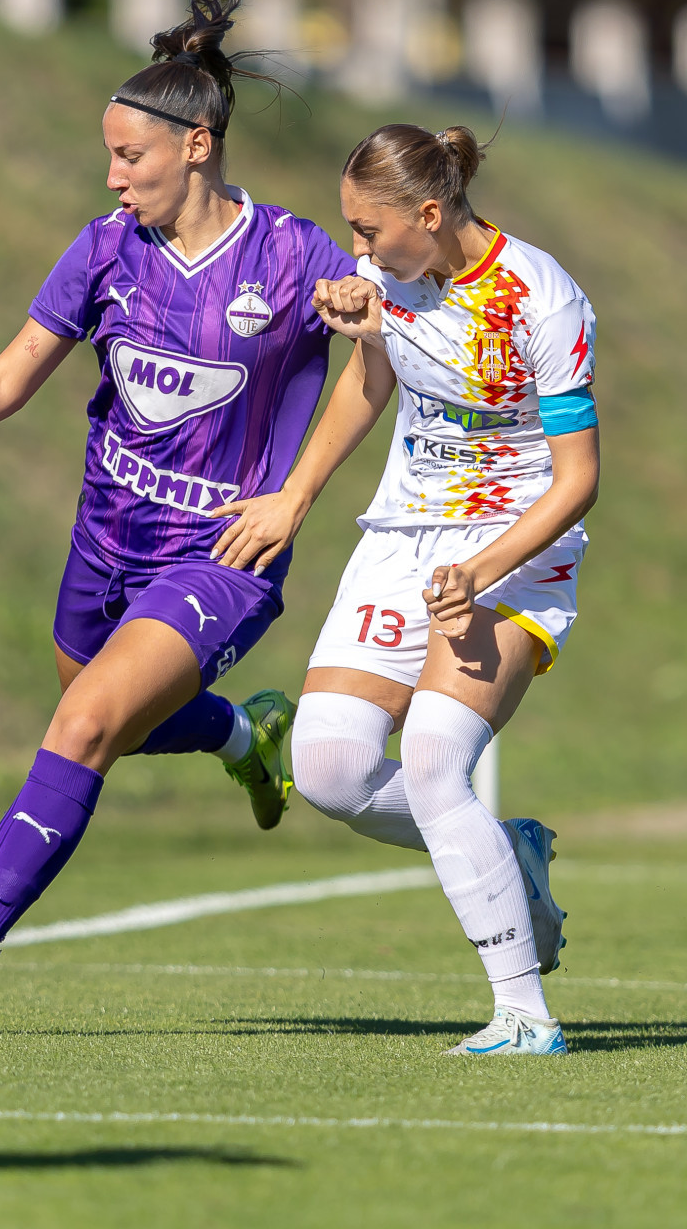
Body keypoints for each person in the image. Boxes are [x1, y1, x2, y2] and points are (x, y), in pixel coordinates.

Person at [0, 0, 359, 1026]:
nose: (113, 176)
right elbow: (2, 384)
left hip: (224, 553)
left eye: (129, 156)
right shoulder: (103, 251)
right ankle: (242, 737)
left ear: (198, 144)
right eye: (109, 157)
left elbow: (381, 361)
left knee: (83, 723)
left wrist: (297, 489)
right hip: (103, 545)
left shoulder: (299, 256)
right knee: (109, 722)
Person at [235, 123, 597, 1055]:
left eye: (368, 230)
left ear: (429, 214)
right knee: (327, 768)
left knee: (437, 759)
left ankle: (524, 1013)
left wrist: (481, 572)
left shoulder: (541, 300)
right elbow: (373, 380)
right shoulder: (395, 280)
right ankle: (507, 854)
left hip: (515, 545)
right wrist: (295, 497)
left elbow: (577, 478)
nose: (356, 248)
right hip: (405, 540)